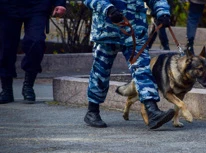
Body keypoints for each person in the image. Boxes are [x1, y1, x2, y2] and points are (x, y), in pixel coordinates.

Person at [83, 0, 175, 129]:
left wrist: (162, 12)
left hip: (135, 31)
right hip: (106, 30)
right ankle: (92, 111)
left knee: (142, 69)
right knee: (100, 72)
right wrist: (107, 8)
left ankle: (152, 110)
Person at [0, 0, 66, 104]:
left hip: (37, 5)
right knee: (5, 46)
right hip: (7, 6)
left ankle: (28, 85)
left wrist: (60, 3)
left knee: (36, 42)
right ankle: (6, 89)